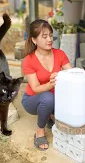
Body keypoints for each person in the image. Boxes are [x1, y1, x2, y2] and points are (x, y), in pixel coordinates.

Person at [22, 19, 72, 151]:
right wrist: (51, 84)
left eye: (50, 35)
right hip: (33, 100)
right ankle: (39, 132)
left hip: (55, 98)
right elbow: (36, 88)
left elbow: (72, 75)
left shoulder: (59, 54)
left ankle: (49, 115)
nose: (49, 39)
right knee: (48, 98)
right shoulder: (28, 61)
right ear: (34, 40)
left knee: (68, 95)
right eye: (44, 36)